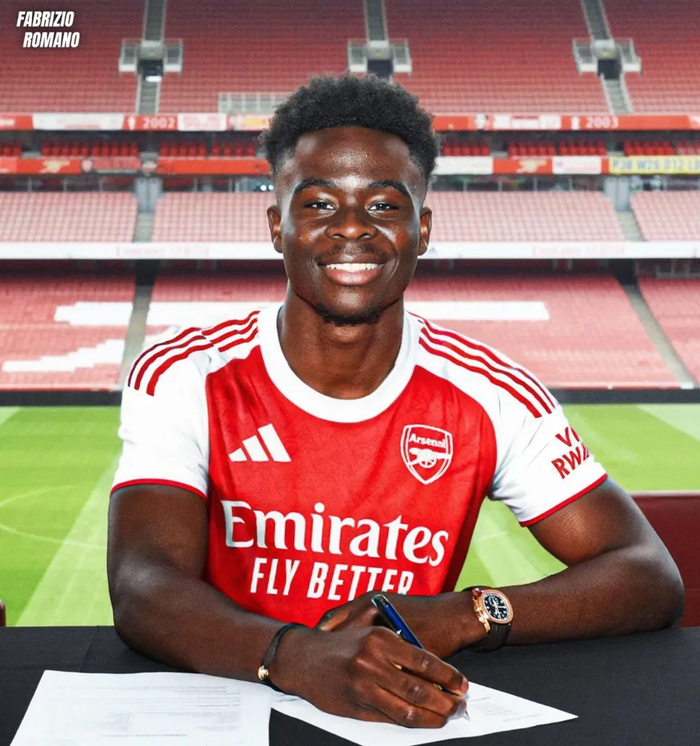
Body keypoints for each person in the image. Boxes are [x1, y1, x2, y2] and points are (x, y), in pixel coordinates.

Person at [108, 75, 684, 729]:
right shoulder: (186, 372)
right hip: (224, 710)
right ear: (277, 226)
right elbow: (142, 584)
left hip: (398, 719)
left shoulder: (492, 394)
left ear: (422, 228)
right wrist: (294, 656)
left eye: (383, 205)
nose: (352, 227)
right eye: (318, 203)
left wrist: (468, 613)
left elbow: (648, 575)